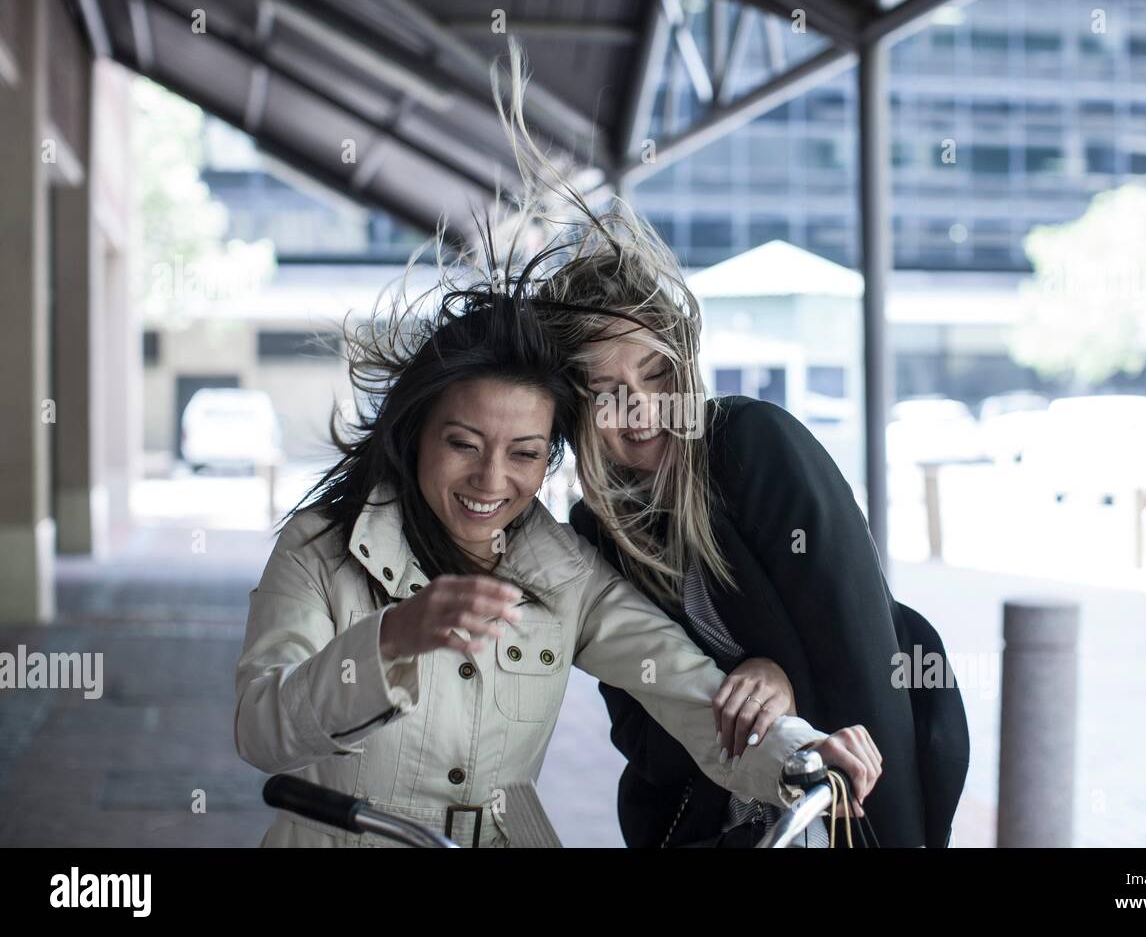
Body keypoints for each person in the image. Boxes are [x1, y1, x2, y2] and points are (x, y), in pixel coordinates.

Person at [233, 234, 884, 848]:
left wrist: (802, 754)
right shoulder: (320, 545)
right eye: (464, 444)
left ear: (550, 460)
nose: (491, 480)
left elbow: (688, 692)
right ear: (416, 434)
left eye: (524, 453)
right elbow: (262, 731)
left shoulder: (564, 569)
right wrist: (392, 639)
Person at [531, 185, 970, 850]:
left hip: (846, 809)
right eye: (606, 393)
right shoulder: (594, 534)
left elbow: (866, 667)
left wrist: (782, 681)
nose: (643, 409)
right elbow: (648, 744)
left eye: (657, 375)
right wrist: (745, 702)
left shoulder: (751, 446)